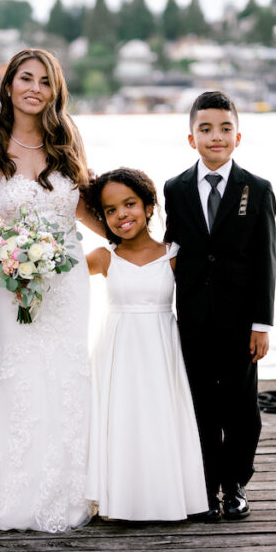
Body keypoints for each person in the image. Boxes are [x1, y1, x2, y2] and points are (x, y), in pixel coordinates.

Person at [0, 48, 104, 534]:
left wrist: (130, 243)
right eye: (25, 79)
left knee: (66, 375)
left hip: (68, 281)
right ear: (9, 85)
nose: (34, 88)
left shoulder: (66, 138)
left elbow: (81, 209)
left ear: (55, 91)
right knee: (17, 375)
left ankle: (68, 487)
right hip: (12, 282)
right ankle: (8, 488)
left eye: (45, 81)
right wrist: (9, 256)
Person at [163, 91, 276, 522]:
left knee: (241, 407)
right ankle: (207, 487)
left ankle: (236, 485)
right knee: (201, 407)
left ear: (238, 136)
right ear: (191, 138)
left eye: (225, 129)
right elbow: (173, 246)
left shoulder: (257, 189)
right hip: (191, 316)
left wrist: (261, 323)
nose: (216, 137)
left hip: (239, 320)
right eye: (206, 129)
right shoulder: (175, 188)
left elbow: (266, 260)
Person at [83, 168, 207, 521]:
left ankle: (168, 496)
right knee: (121, 419)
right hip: (117, 353)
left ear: (149, 206)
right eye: (110, 210)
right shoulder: (105, 256)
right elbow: (61, 278)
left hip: (161, 351)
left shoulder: (173, 255)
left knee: (158, 418)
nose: (121, 215)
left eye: (130, 204)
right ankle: (118, 498)